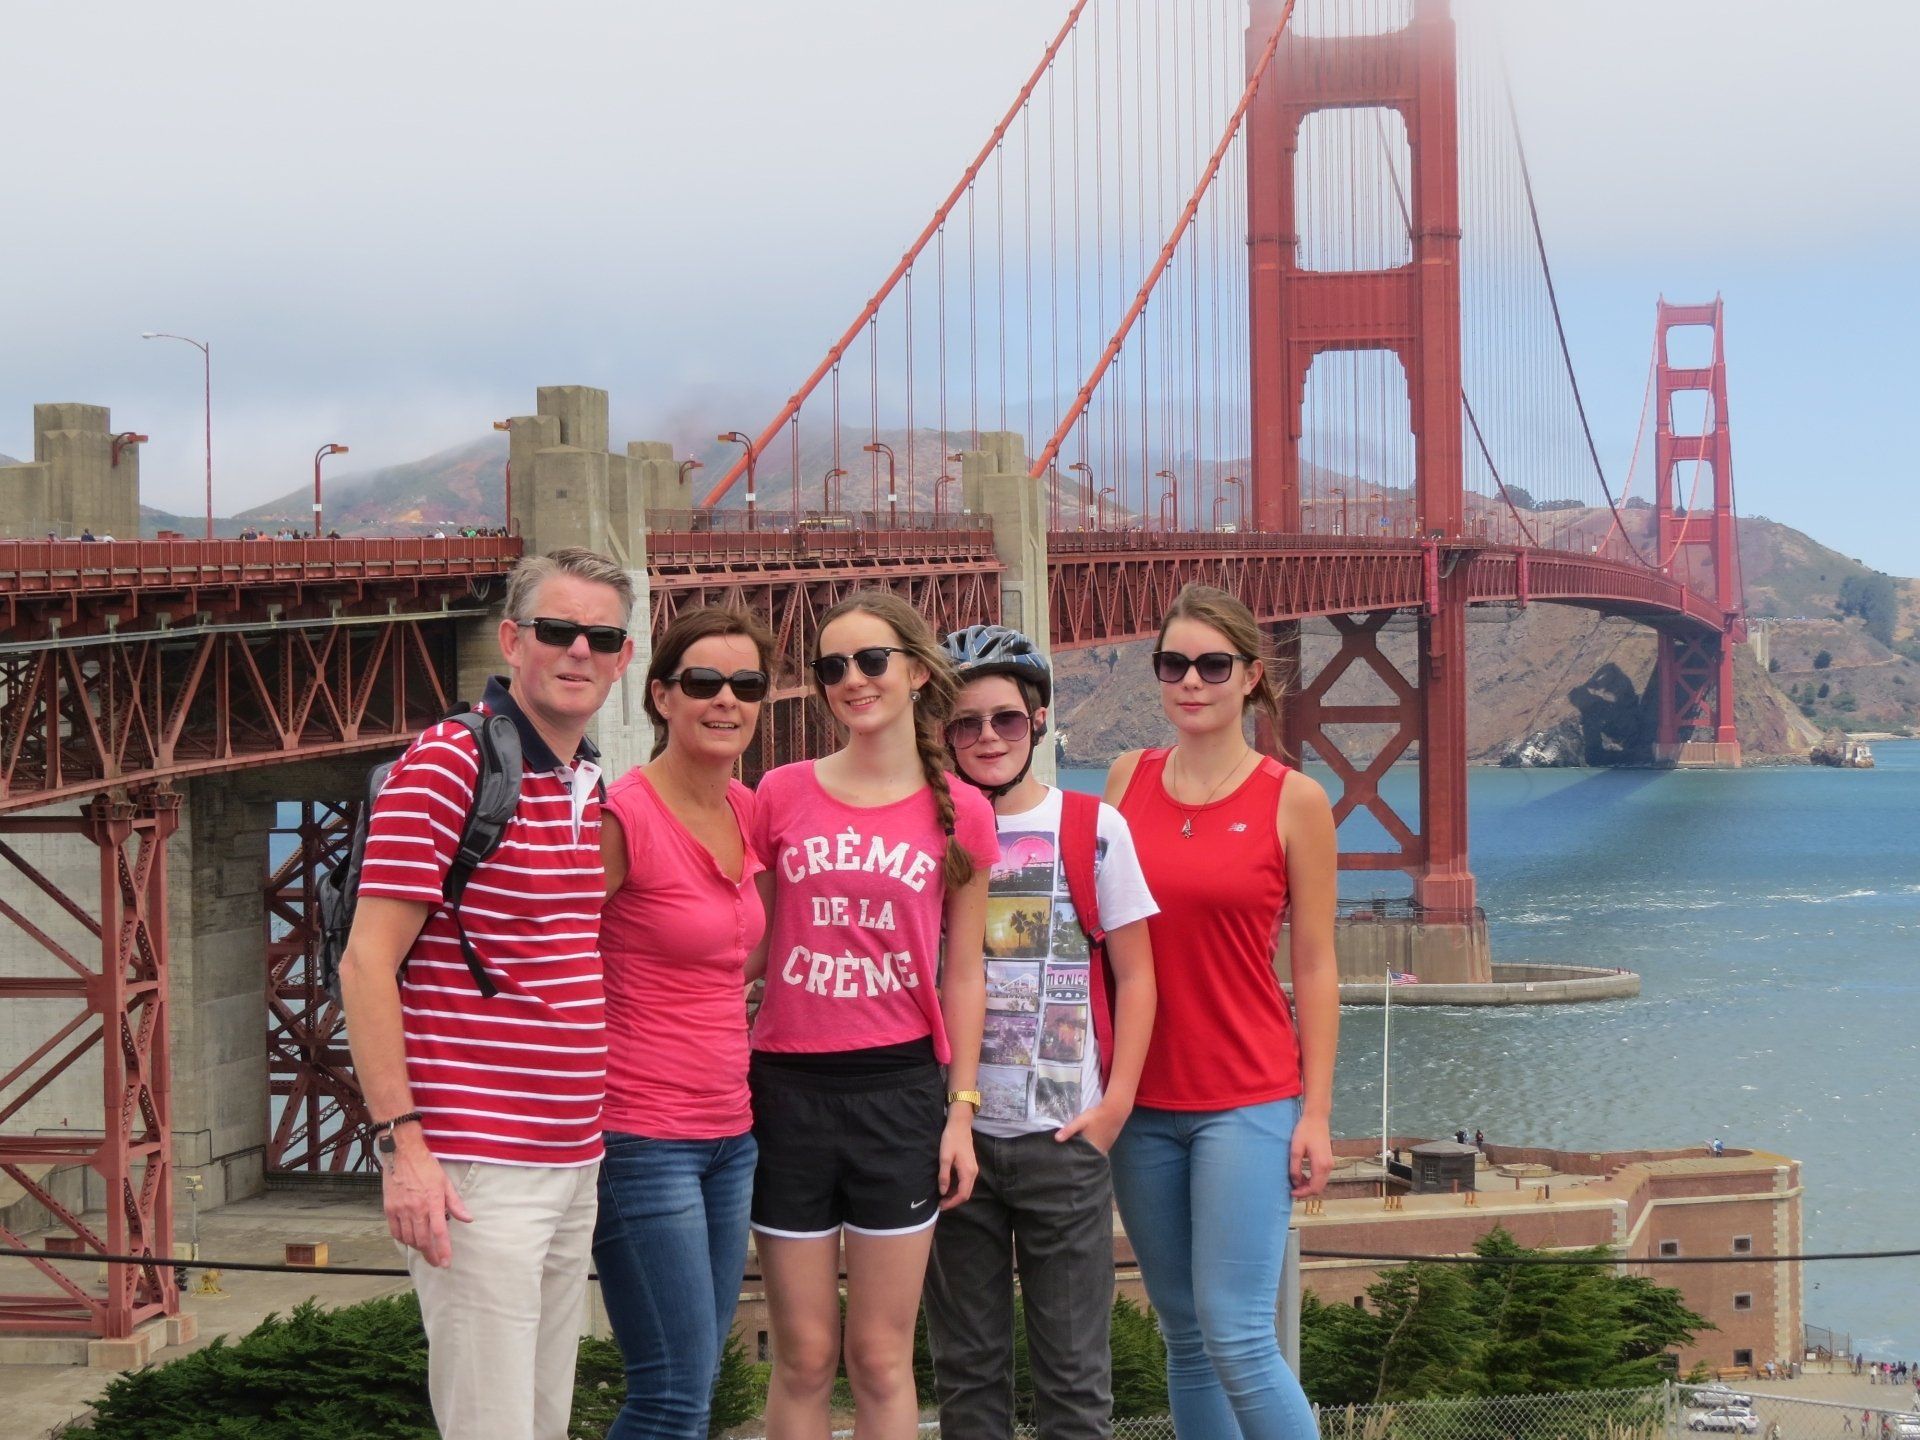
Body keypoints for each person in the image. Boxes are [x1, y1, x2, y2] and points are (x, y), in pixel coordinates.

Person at [340, 547, 635, 1440]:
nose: (579, 651)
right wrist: (404, 1147)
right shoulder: (449, 763)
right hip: (476, 1167)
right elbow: (366, 963)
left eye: (603, 636)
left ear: (625, 658)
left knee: (541, 1421)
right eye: (557, 630)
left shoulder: (582, 779)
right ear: (512, 640)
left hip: (571, 1157)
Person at [748, 590, 999, 1440]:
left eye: (870, 660)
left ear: (917, 670)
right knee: (806, 1357)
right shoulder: (778, 793)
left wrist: (960, 1113)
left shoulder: (962, 809)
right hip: (783, 1091)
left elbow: (964, 974)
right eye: (831, 667)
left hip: (899, 1091)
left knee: (884, 1360)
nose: (851, 680)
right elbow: (749, 939)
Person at [1102, 583, 1338, 1440]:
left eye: (1212, 664)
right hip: (1141, 1101)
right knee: (1187, 1338)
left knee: (1239, 1334)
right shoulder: (1128, 777)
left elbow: (1314, 964)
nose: (1190, 681)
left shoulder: (1293, 800)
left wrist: (1315, 1113)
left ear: (1251, 677)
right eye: (1173, 664)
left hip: (1247, 1097)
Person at [924, 624, 1159, 1440]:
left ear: (1039, 720)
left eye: (1007, 720)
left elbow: (1137, 972)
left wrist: (1115, 1106)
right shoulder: (929, 829)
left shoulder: (1095, 827)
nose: (987, 737)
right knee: (967, 1379)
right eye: (965, 724)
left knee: (1074, 1384)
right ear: (943, 735)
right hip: (955, 1140)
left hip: (1064, 1138)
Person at [593, 605, 776, 1440]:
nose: (725, 700)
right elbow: (548, 966)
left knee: (697, 1375)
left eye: (746, 685)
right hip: (639, 1138)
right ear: (660, 695)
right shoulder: (619, 817)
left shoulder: (748, 810)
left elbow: (729, 955)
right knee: (669, 1390)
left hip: (729, 1134)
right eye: (703, 682)